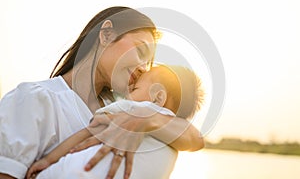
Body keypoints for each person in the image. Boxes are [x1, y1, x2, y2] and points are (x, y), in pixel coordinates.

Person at [0, 7, 204, 179]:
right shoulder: (35, 99)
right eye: (140, 52)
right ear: (106, 34)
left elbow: (195, 140)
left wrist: (145, 121)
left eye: (148, 63)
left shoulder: (121, 111)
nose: (143, 68)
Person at [26, 64, 204, 179]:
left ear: (158, 97)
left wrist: (48, 160)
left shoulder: (131, 110)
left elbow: (87, 133)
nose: (127, 94)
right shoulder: (174, 139)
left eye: (135, 88)